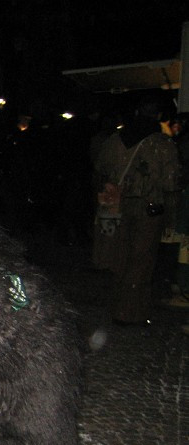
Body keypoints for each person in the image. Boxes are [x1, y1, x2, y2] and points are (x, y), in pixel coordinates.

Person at [93, 96, 180, 325]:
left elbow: (100, 168)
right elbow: (171, 182)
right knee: (141, 261)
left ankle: (119, 307)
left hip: (118, 205)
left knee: (120, 257)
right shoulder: (162, 144)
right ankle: (130, 312)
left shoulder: (115, 140)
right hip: (148, 209)